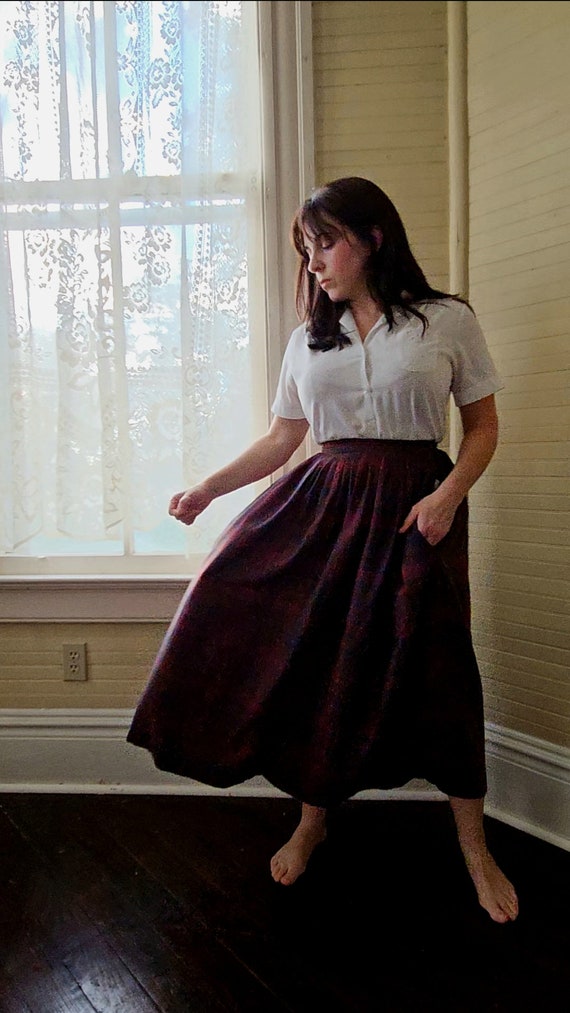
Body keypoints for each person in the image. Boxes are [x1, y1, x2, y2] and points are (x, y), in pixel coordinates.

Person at [127, 176, 519, 924]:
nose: (314, 261)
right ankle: (313, 819)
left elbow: (483, 426)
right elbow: (284, 437)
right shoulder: (311, 338)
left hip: (416, 515)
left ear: (373, 237)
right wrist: (209, 489)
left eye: (325, 242)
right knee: (320, 663)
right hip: (324, 514)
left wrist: (446, 497)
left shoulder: (445, 321)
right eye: (306, 248)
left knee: (440, 668)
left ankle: (475, 845)